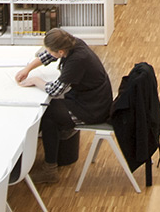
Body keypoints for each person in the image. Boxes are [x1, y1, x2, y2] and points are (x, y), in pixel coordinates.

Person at [15, 27, 113, 185]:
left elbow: (54, 90)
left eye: (51, 50)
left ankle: (49, 170)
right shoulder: (72, 43)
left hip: (93, 108)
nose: (48, 52)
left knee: (48, 116)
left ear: (61, 51)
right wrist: (28, 69)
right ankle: (43, 153)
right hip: (90, 98)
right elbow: (48, 55)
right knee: (51, 111)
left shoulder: (77, 60)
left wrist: (35, 80)